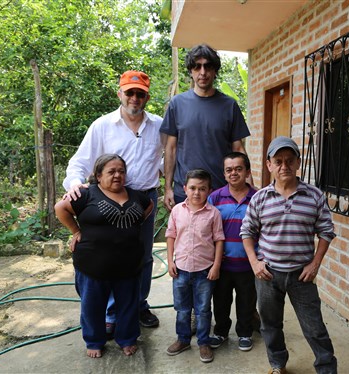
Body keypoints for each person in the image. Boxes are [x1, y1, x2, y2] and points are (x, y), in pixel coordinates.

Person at [62, 70, 163, 332]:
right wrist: (75, 185)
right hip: (109, 200)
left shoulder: (159, 126)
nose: (134, 98)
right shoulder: (103, 126)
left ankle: (138, 304)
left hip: (144, 200)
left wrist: (163, 172)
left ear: (147, 97)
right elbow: (80, 162)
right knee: (109, 255)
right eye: (129, 92)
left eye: (140, 94)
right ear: (119, 93)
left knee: (142, 255)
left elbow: (167, 158)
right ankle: (110, 313)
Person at [240, 136, 338, 374]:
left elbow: (326, 232)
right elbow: (247, 232)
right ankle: (277, 365)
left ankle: (327, 369)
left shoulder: (314, 196)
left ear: (297, 163)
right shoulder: (260, 198)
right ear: (269, 165)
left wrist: (315, 264)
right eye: (278, 161)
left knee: (314, 327)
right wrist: (254, 263)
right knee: (270, 325)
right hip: (268, 275)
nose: (284, 166)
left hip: (301, 275)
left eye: (289, 160)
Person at [55, 154, 154, 358]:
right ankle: (94, 341)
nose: (117, 175)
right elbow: (60, 208)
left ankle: (127, 339)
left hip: (129, 265)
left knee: (127, 305)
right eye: (111, 172)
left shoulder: (137, 196)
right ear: (98, 176)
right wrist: (76, 231)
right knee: (92, 306)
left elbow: (149, 206)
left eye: (121, 171)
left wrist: (131, 228)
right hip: (93, 266)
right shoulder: (85, 194)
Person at [160, 43, 251, 212]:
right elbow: (170, 149)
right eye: (197, 67)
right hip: (186, 191)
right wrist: (168, 188)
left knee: (222, 238)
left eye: (208, 66)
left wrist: (249, 186)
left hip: (222, 192)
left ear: (215, 71)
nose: (203, 72)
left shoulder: (229, 105)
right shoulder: (177, 104)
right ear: (190, 71)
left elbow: (238, 148)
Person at [165, 169, 225, 363]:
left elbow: (219, 240)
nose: (196, 193)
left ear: (209, 190)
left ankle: (203, 342)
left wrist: (216, 265)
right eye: (192, 188)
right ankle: (182, 339)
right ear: (185, 189)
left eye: (202, 189)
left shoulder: (213, 214)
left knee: (203, 309)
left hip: (204, 271)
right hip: (181, 269)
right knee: (182, 309)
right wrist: (170, 261)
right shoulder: (177, 211)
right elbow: (171, 235)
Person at [207, 152, 258, 352]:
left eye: (238, 169)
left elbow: (263, 230)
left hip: (247, 263)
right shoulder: (215, 198)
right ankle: (220, 332)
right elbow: (207, 229)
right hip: (222, 263)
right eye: (229, 170)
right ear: (224, 173)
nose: (233, 173)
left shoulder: (257, 197)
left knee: (246, 301)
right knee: (221, 300)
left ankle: (245, 333)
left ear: (247, 172)